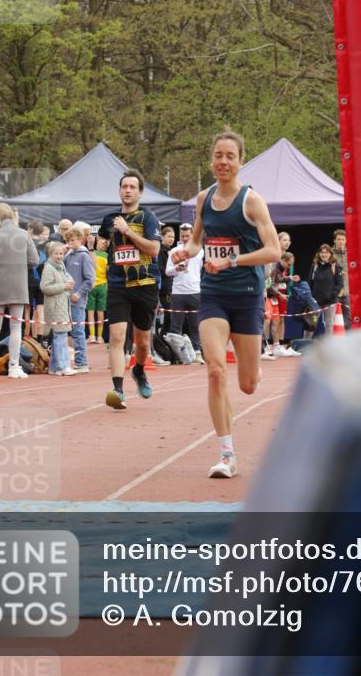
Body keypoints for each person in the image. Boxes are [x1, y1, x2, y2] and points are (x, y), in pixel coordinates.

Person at [170, 129, 281, 479]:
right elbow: (198, 242)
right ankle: (227, 454)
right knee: (216, 369)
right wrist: (185, 252)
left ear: (241, 161)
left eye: (230, 156)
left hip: (247, 295)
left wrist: (232, 262)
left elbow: (273, 251)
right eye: (218, 155)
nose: (223, 161)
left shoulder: (251, 202)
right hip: (213, 294)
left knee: (248, 384)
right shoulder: (203, 199)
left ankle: (256, 366)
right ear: (211, 160)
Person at [99, 170, 162, 410]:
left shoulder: (148, 218)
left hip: (145, 285)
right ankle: (117, 389)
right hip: (117, 285)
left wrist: (127, 231)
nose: (127, 190)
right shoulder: (109, 218)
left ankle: (139, 370)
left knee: (143, 342)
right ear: (119, 190)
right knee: (116, 338)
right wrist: (102, 243)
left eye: (132, 187)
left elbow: (154, 249)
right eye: (124, 186)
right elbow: (104, 242)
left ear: (140, 192)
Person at [0, 203, 40, 379]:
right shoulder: (23, 234)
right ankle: (14, 365)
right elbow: (34, 259)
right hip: (18, 285)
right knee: (15, 327)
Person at [165, 222, 205, 363]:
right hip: (178, 292)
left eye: (188, 235)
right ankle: (178, 356)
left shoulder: (200, 250)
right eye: (183, 236)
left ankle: (197, 353)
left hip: (195, 291)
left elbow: (202, 270)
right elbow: (167, 271)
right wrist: (177, 268)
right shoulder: (174, 251)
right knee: (176, 325)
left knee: (195, 325)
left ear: (193, 235)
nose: (185, 238)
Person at [41, 241, 77, 376]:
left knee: (59, 335)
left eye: (61, 253)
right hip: (55, 306)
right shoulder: (49, 268)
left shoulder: (60, 266)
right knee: (60, 336)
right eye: (56, 253)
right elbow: (45, 287)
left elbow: (66, 280)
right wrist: (64, 286)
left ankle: (54, 367)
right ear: (51, 254)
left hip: (62, 305)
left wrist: (70, 283)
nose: (59, 256)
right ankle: (63, 366)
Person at [64, 226, 95, 372]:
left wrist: (79, 293)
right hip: (65, 300)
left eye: (74, 240)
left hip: (77, 301)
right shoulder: (67, 256)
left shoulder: (84, 255)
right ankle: (69, 360)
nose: (71, 243)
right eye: (69, 240)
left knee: (78, 331)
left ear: (80, 240)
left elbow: (90, 280)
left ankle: (82, 362)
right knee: (65, 331)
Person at [308, 244, 343, 337]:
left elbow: (339, 284)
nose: (324, 255)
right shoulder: (315, 265)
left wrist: (332, 295)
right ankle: (305, 344)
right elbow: (310, 282)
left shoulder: (335, 266)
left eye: (326, 252)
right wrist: (311, 298)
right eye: (322, 252)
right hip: (316, 301)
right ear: (319, 254)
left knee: (329, 323)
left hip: (330, 301)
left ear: (330, 254)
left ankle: (328, 345)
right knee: (311, 323)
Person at [86, 235, 108, 343]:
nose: (100, 244)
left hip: (96, 285)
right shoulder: (108, 256)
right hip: (100, 285)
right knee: (97, 311)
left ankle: (95, 336)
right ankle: (96, 336)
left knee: (94, 311)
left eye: (102, 243)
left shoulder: (91, 253)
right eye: (100, 242)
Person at [332, 228, 351, 329]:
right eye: (339, 239)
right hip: (334, 291)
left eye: (343, 239)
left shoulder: (351, 253)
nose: (341, 242)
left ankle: (348, 341)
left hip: (348, 291)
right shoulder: (329, 254)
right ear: (334, 241)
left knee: (348, 318)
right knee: (333, 318)